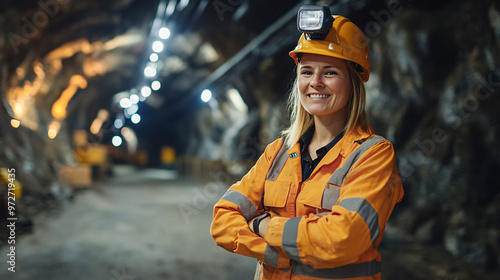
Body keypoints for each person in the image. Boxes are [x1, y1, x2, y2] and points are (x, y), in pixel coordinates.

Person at [211, 6, 404, 280]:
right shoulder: (278, 151)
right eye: (306, 71)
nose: (315, 82)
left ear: (353, 82)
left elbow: (342, 239)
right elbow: (222, 219)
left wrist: (264, 225)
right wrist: (280, 254)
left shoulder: (373, 155)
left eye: (330, 73)